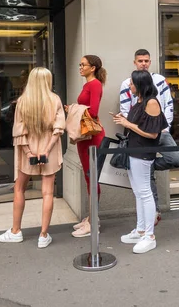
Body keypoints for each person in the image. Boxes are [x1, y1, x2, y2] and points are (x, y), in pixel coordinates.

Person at [0, 67, 65, 248]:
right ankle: (43, 235)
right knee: (48, 192)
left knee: (19, 188)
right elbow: (58, 129)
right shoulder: (55, 100)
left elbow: (19, 131)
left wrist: (29, 153)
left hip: (28, 152)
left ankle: (16, 231)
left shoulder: (22, 101)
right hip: (48, 152)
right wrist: (47, 151)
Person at [119, 49, 179, 224]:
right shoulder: (127, 83)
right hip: (140, 133)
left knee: (175, 159)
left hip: (160, 130)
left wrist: (165, 127)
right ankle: (153, 214)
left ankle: (150, 168)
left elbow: (168, 104)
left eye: (146, 60)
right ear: (134, 62)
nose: (144, 63)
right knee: (144, 185)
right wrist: (134, 126)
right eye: (140, 60)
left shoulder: (160, 80)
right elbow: (126, 109)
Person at [113, 70, 168, 254]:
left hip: (143, 152)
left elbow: (153, 133)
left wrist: (128, 124)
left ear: (140, 84)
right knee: (139, 192)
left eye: (132, 83)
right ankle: (141, 229)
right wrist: (124, 121)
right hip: (134, 150)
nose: (129, 86)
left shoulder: (152, 102)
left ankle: (149, 236)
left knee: (144, 192)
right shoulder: (139, 101)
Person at [73, 55, 107, 238]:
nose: (80, 67)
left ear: (92, 68)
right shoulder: (88, 84)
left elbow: (93, 112)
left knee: (92, 179)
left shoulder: (94, 85)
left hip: (92, 137)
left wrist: (74, 109)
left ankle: (94, 222)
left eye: (83, 65)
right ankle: (91, 218)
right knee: (89, 178)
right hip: (86, 136)